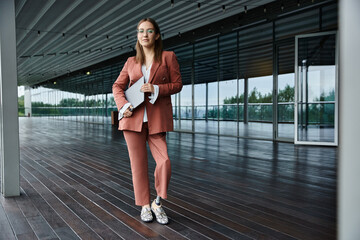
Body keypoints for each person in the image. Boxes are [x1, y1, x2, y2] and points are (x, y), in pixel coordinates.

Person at [112, 18, 182, 225]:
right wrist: (123, 106)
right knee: (138, 165)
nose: (144, 35)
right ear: (137, 36)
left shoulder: (168, 57)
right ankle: (144, 206)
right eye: (140, 31)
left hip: (156, 119)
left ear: (157, 35)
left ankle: (157, 203)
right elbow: (117, 86)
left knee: (165, 161)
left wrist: (157, 89)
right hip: (132, 120)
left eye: (149, 31)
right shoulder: (130, 62)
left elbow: (177, 84)